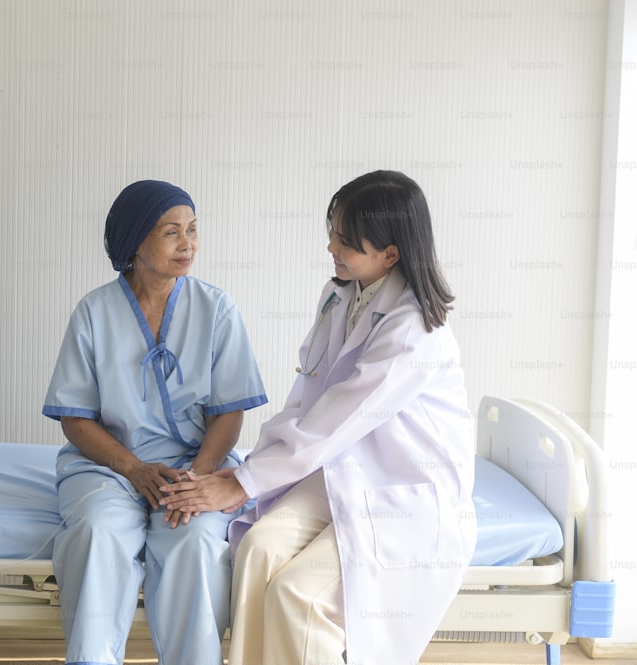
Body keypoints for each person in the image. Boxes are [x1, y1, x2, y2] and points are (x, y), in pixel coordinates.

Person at [160, 170, 477, 665]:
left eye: (345, 240)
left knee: (298, 599)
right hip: (344, 471)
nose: (330, 245)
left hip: (403, 490)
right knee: (259, 549)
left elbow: (337, 420)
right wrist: (247, 474)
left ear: (390, 254)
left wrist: (243, 484)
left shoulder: (414, 329)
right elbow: (306, 404)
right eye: (333, 229)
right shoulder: (340, 297)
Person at [42, 179, 268, 665]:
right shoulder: (93, 314)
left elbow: (230, 410)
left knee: (198, 540)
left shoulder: (217, 309)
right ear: (135, 242)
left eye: (192, 229)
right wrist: (134, 470)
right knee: (97, 532)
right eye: (171, 232)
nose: (188, 244)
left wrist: (200, 477)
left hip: (196, 464)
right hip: (108, 467)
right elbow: (76, 420)